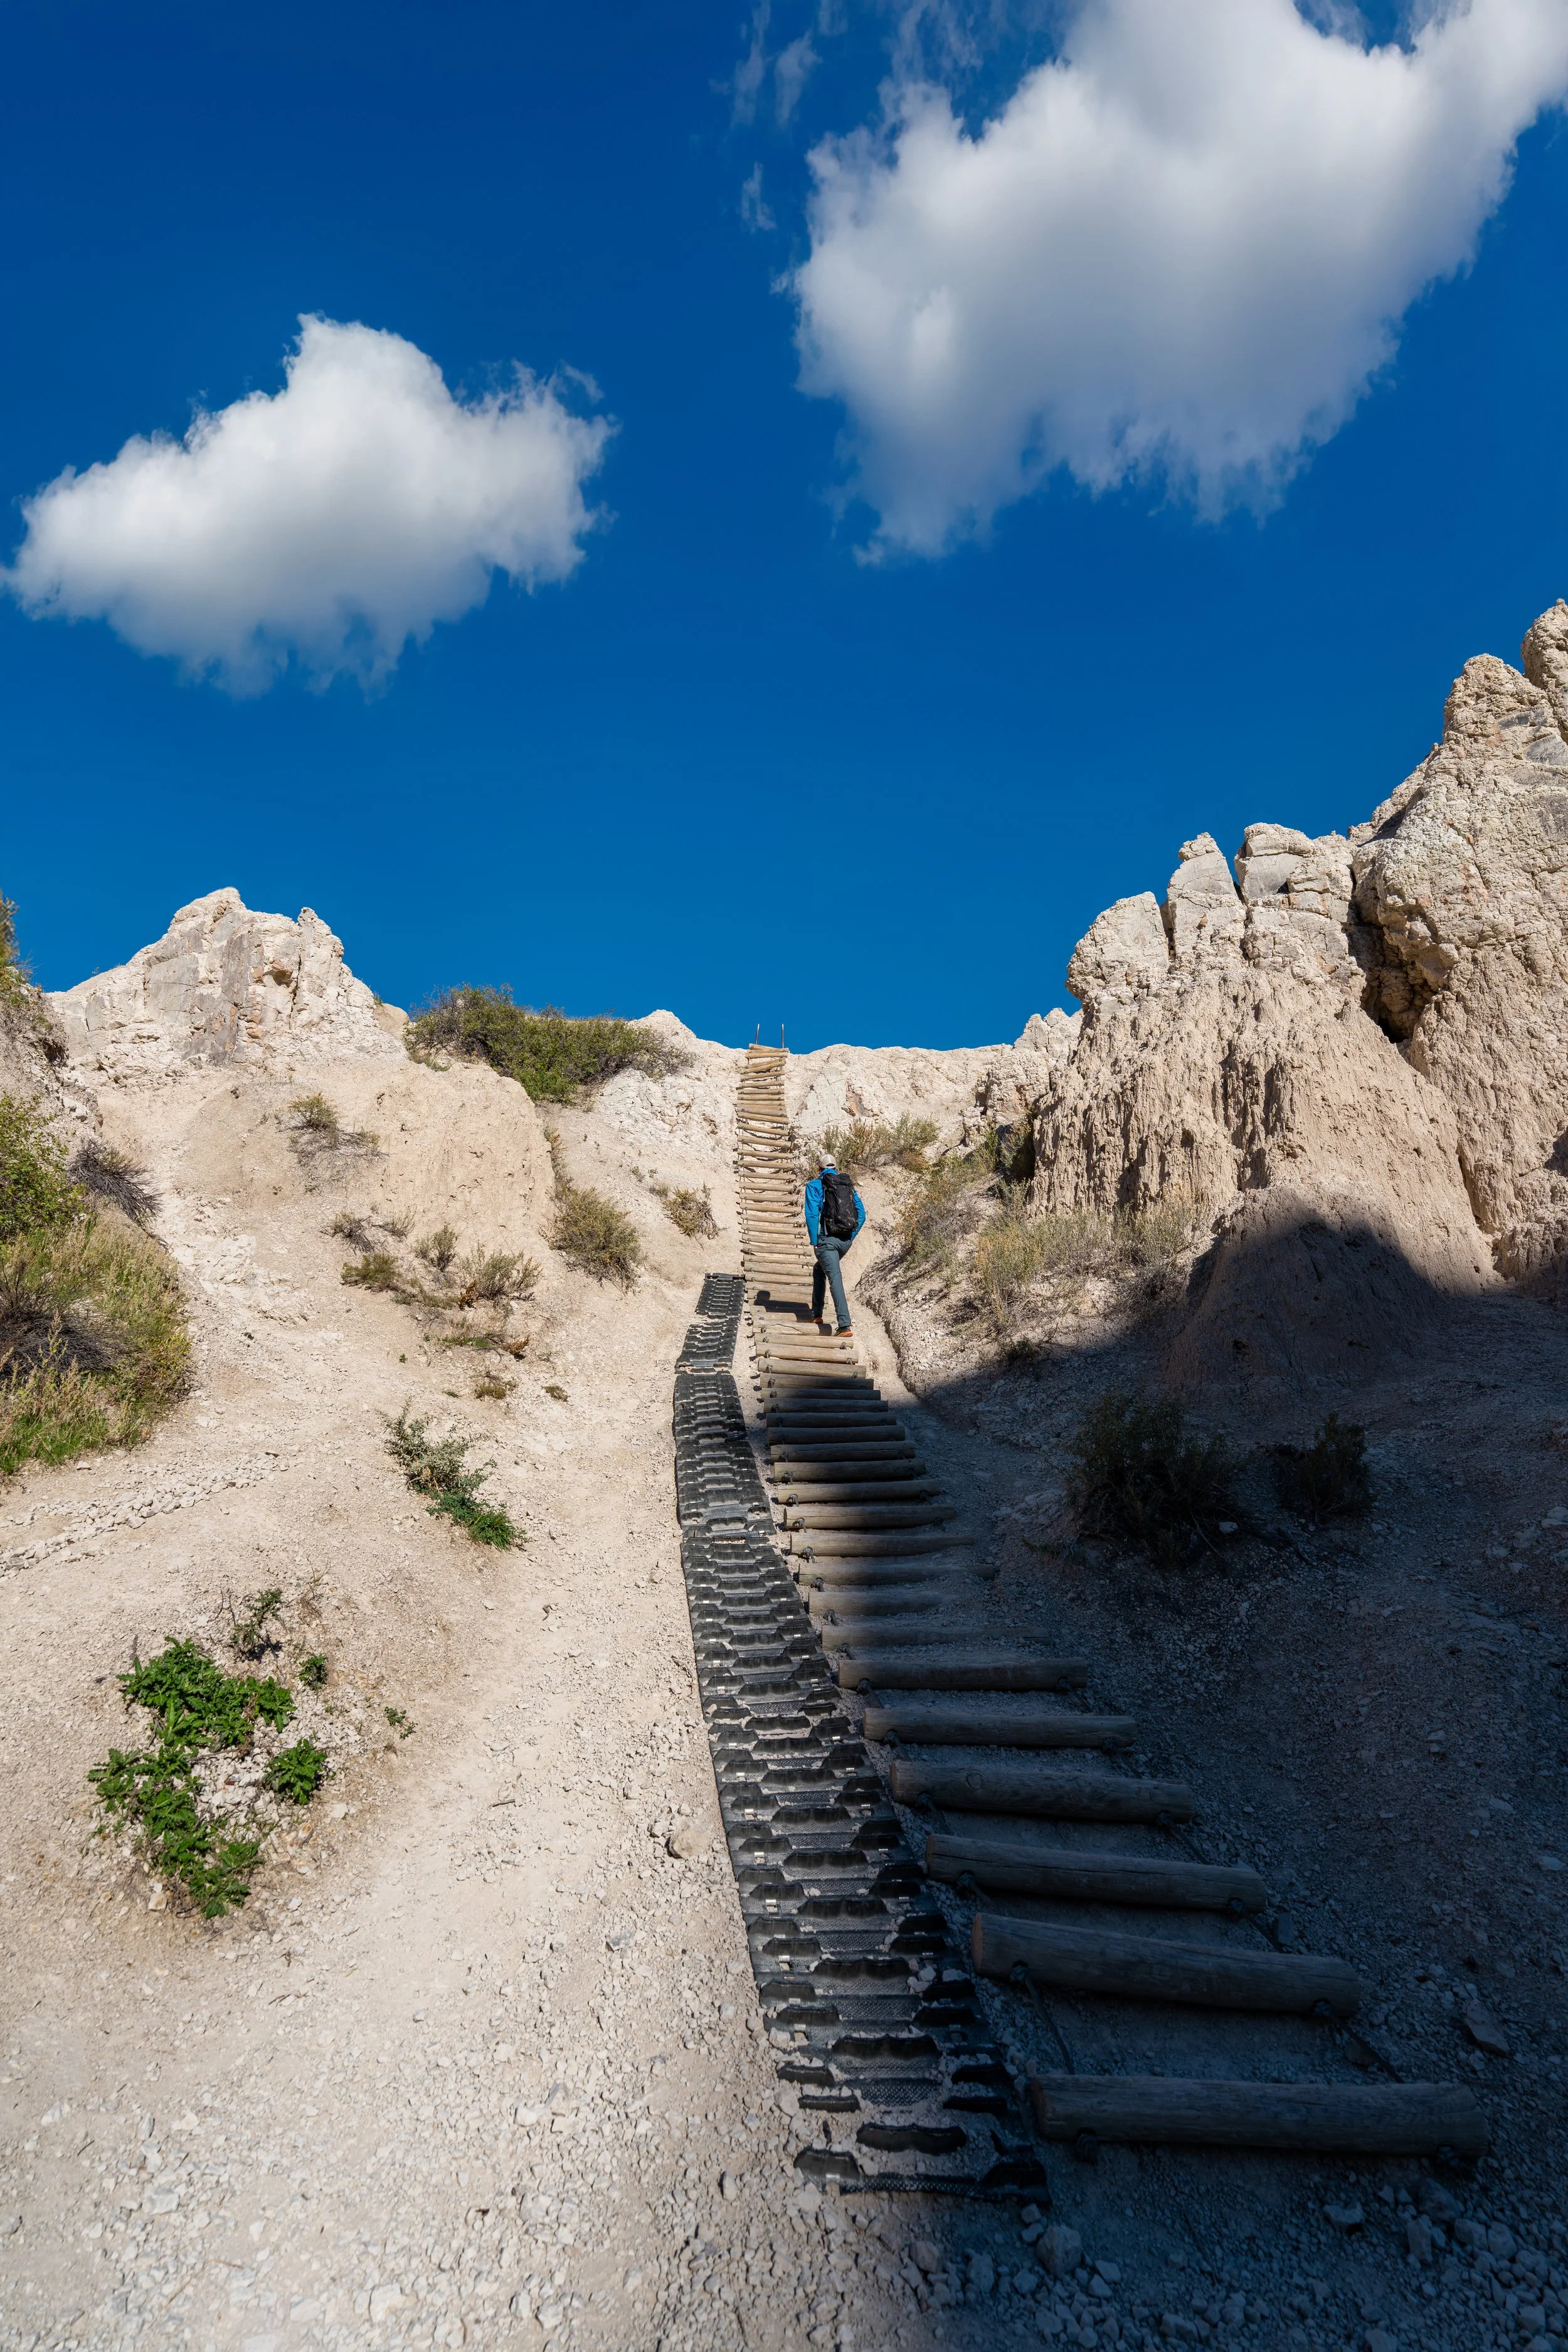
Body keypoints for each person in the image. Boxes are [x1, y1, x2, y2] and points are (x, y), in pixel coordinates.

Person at [803, 1156, 866, 1335]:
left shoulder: (814, 1186)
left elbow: (812, 1215)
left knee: (835, 1277)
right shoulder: (847, 1186)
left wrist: (815, 1241)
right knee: (819, 1270)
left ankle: (845, 1325)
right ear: (836, 1168)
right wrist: (850, 1237)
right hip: (844, 1241)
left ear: (819, 1169)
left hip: (826, 1242)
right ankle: (817, 1313)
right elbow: (862, 1216)